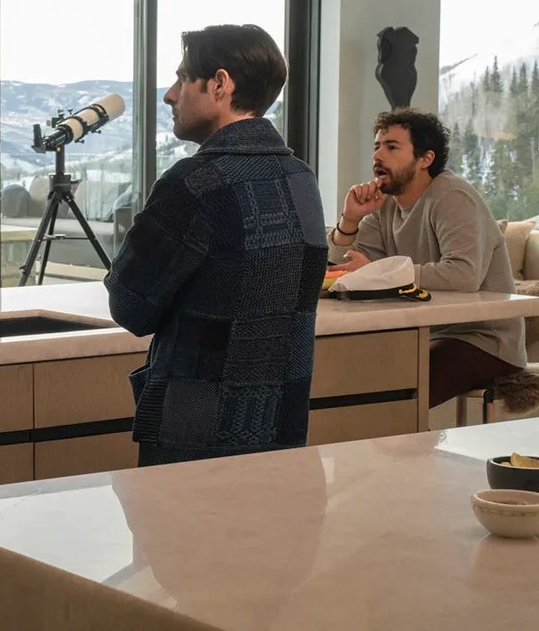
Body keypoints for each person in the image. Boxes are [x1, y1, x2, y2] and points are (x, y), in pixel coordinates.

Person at [103, 24, 327, 466]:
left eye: (183, 77)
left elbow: (129, 306)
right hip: (281, 428)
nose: (170, 95)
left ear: (220, 84)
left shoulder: (194, 183)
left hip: (195, 433)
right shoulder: (302, 178)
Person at [329, 109, 524, 407]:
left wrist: (382, 274)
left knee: (393, 392)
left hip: (483, 339)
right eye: (377, 146)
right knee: (343, 376)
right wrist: (350, 220)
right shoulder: (384, 205)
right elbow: (342, 269)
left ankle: (404, 438)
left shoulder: (452, 197)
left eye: (392, 147)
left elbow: (463, 275)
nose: (377, 156)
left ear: (425, 159)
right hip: (422, 333)